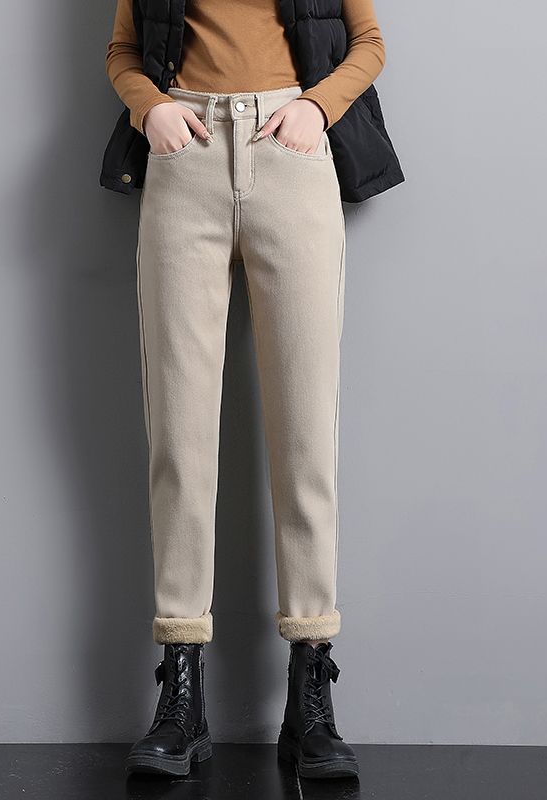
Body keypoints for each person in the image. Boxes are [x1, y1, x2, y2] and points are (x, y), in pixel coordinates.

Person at [103, 0, 399, 780]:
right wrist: (150, 109)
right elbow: (123, 50)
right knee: (179, 440)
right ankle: (182, 694)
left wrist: (316, 108)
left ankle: (311, 695)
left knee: (306, 438)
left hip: (291, 155)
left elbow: (368, 43)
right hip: (184, 160)